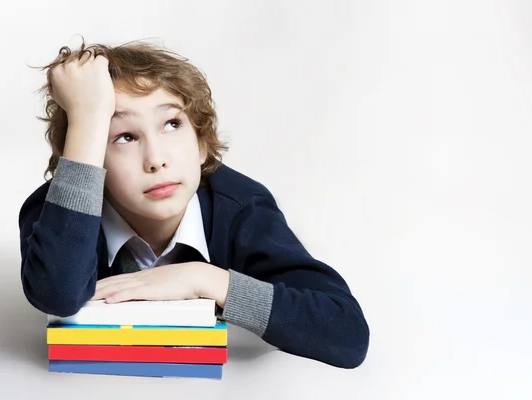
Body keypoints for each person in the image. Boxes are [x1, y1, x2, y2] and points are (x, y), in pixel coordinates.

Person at [18, 39, 369, 369]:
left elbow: (347, 333)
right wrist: (87, 119)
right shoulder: (55, 211)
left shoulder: (241, 207)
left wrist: (206, 280)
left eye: (171, 124)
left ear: (202, 144)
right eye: (124, 136)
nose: (156, 160)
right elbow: (57, 295)